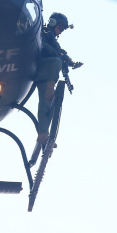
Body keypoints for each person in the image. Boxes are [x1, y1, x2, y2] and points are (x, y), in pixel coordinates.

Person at [34, 12, 83, 143]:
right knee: (45, 100)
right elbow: (43, 47)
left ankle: (44, 133)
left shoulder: (51, 39)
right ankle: (43, 133)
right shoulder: (42, 34)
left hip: (46, 72)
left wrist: (70, 62)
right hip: (40, 70)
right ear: (53, 23)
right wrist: (59, 56)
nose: (60, 32)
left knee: (46, 102)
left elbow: (60, 53)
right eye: (60, 28)